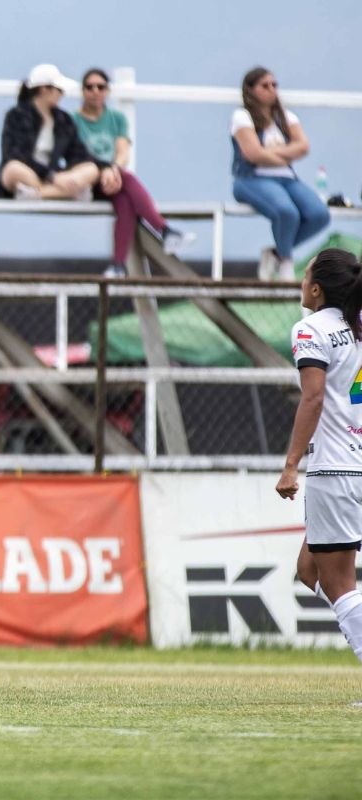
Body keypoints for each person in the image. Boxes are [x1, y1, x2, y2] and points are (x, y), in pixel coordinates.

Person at [276, 248, 362, 672]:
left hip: (336, 469)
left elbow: (312, 397)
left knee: (338, 582)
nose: (300, 281)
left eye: (304, 273)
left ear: (316, 288)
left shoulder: (311, 329)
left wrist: (291, 464)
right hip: (357, 464)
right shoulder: (359, 328)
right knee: (309, 569)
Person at [72, 68, 193, 276]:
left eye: (100, 87)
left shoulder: (116, 118)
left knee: (126, 201)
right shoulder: (73, 120)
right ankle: (164, 230)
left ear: (107, 91)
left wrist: (113, 171)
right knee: (128, 180)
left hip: (114, 179)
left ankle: (118, 265)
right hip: (87, 178)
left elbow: (122, 151)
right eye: (90, 87)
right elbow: (76, 156)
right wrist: (106, 171)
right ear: (82, 91)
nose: (95, 91)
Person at [231, 67, 330, 281]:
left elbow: (302, 146)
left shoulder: (286, 117)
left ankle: (275, 252)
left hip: (286, 178)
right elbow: (253, 153)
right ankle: (286, 261)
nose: (271, 90)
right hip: (252, 178)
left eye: (274, 85)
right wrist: (284, 156)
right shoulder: (242, 116)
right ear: (250, 90)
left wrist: (269, 153)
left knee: (319, 214)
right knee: (287, 212)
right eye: (264, 85)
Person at [0, 64, 98, 202]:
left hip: (55, 177)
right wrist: (51, 176)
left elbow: (79, 154)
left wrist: (104, 166)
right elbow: (15, 155)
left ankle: (39, 194)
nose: (62, 94)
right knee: (13, 168)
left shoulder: (63, 120)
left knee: (90, 169)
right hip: (29, 175)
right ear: (44, 89)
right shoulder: (16, 116)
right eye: (59, 89)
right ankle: (66, 193)